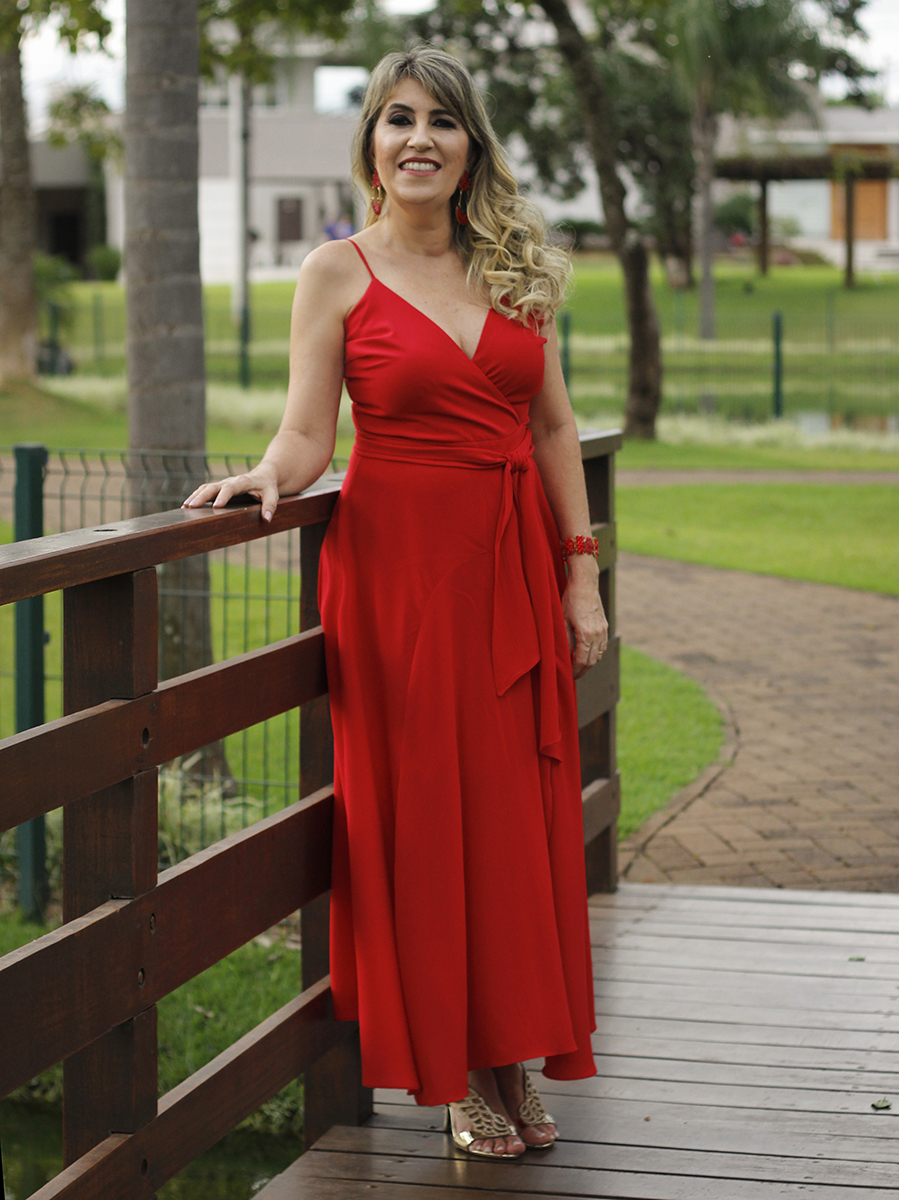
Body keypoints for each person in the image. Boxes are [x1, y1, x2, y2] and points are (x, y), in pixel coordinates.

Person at [184, 44, 608, 1160]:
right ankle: (455, 1076)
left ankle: (510, 1056)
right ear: (370, 144)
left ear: (470, 149)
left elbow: (553, 428)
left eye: (441, 121)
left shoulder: (515, 267)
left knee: (511, 821)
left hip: (511, 568)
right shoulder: (335, 271)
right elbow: (308, 431)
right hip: (401, 583)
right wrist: (266, 477)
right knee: (424, 821)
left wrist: (579, 569)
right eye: (394, 119)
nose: (417, 137)